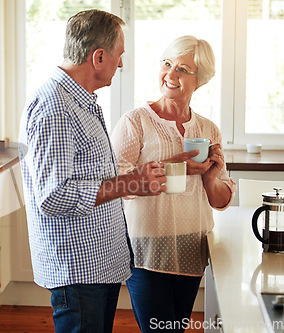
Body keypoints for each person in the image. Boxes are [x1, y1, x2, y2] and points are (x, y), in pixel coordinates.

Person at [18, 9, 168, 333]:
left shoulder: (83, 100)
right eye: (119, 56)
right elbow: (53, 196)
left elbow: (90, 173)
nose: (121, 64)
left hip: (97, 264)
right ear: (99, 57)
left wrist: (132, 179)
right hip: (78, 271)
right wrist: (128, 184)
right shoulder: (54, 106)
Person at [110, 35, 236, 332]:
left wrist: (209, 178)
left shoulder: (207, 128)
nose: (171, 74)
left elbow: (220, 200)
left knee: (176, 328)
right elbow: (117, 184)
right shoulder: (135, 121)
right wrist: (178, 166)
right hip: (146, 246)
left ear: (200, 80)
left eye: (183, 68)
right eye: (167, 63)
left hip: (193, 244)